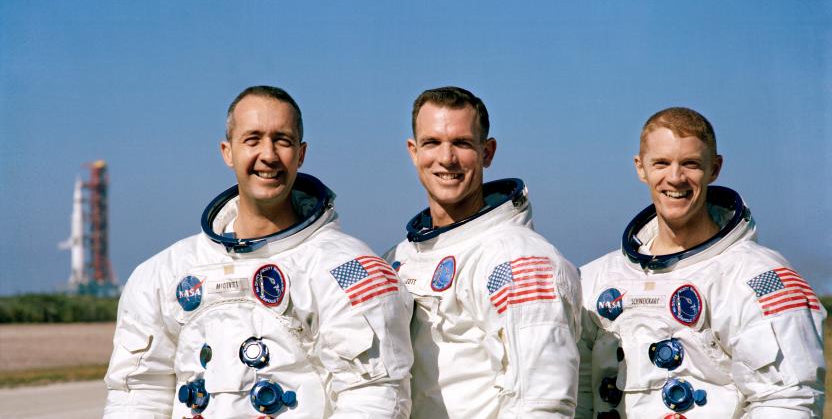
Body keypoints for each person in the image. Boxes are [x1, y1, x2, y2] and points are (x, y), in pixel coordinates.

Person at [104, 86, 414, 418]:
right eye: (252, 139)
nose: (268, 154)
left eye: (282, 140)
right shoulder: (164, 273)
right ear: (227, 151)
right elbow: (137, 393)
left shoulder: (348, 268)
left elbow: (373, 398)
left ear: (301, 153)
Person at [577, 107, 826, 418]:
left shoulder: (759, 276)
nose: (675, 177)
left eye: (690, 164)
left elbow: (788, 402)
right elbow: (577, 394)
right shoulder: (596, 280)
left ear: (715, 168)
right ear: (640, 168)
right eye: (661, 163)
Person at [385, 86, 582, 418]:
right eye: (432, 143)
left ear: (487, 152)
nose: (446, 159)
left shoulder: (518, 258)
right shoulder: (399, 258)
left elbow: (542, 401)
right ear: (413, 151)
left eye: (461, 143)